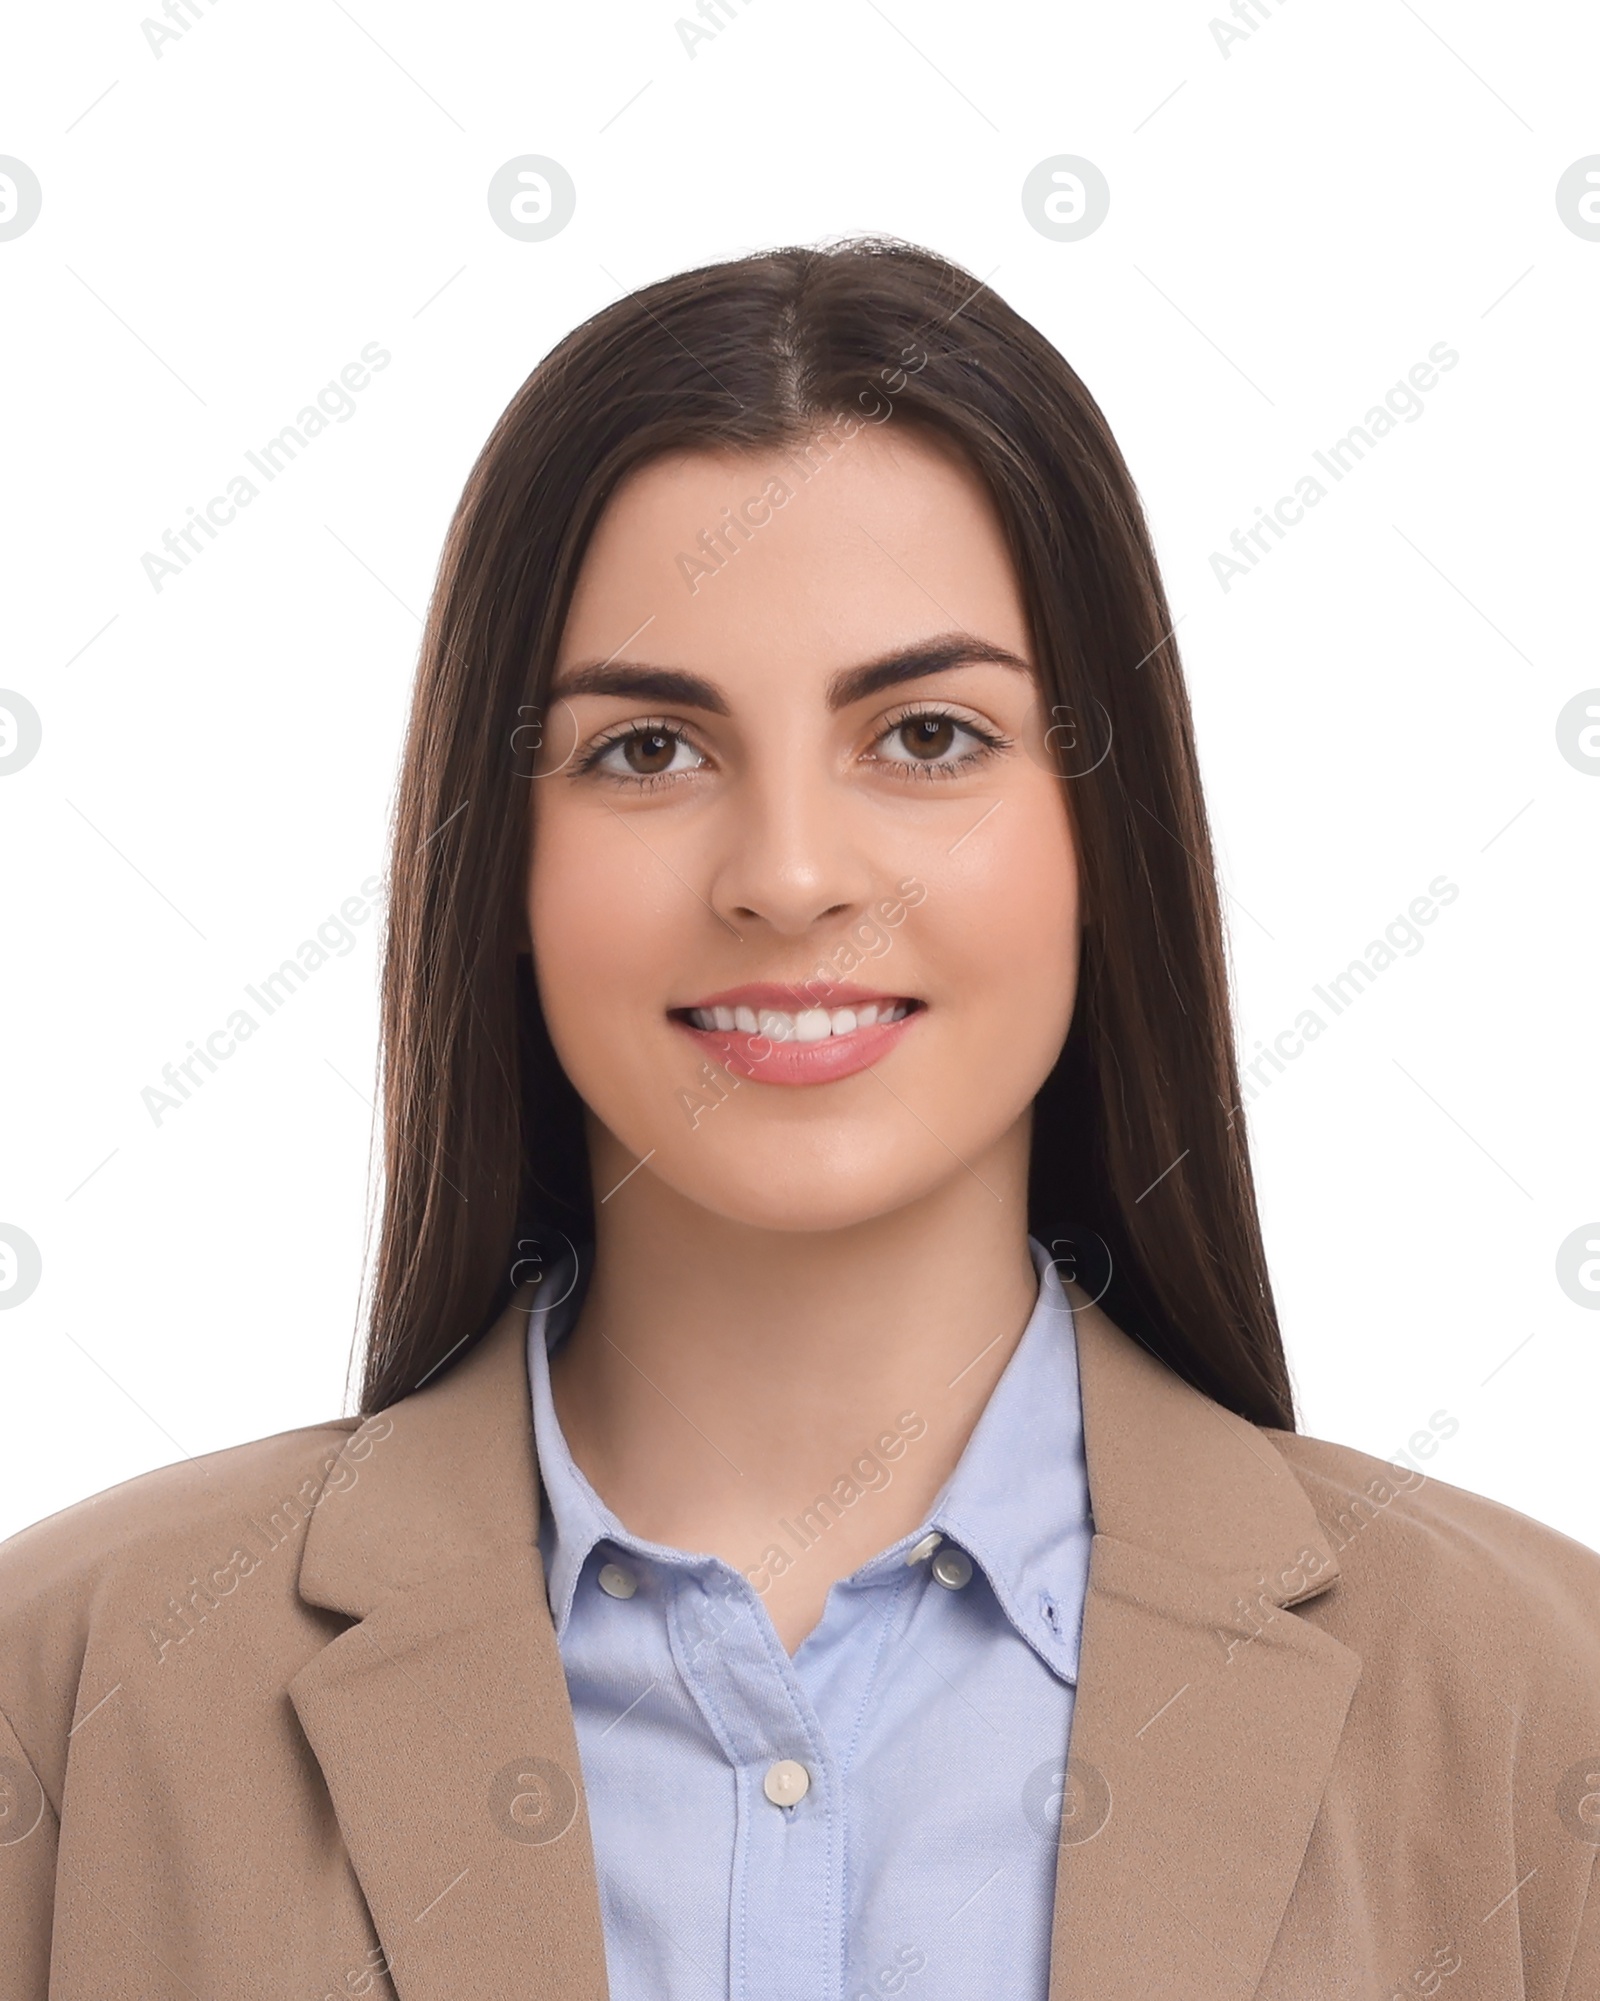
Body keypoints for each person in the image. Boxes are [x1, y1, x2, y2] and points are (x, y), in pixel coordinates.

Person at [2, 237, 1596, 2001]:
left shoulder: (1535, 1704)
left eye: (924, 735)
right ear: (505, 862)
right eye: (646, 750)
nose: (785, 875)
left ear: (1098, 831)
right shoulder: (68, 1697)